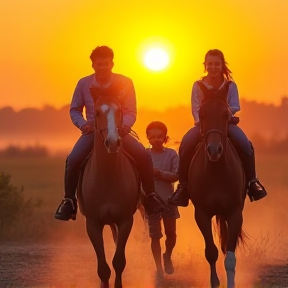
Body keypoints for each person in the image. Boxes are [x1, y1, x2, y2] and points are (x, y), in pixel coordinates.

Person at [54, 45, 166, 221]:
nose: (103, 67)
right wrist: (83, 125)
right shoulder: (84, 84)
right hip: (93, 131)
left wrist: (125, 126)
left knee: (143, 155)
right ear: (93, 65)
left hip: (119, 130)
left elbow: (130, 110)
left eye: (106, 64)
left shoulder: (125, 82)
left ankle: (150, 196)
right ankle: (69, 200)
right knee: (73, 159)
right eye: (99, 64)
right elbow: (75, 109)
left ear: (112, 64)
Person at [168, 49, 267, 207]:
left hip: (225, 124)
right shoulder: (198, 85)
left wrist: (225, 113)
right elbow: (195, 107)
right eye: (210, 64)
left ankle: (252, 182)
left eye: (217, 64)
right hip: (204, 126)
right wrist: (199, 122)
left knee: (246, 144)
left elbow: (235, 105)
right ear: (205, 65)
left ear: (222, 65)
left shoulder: (230, 85)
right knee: (186, 144)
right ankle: (183, 187)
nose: (213, 67)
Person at [145, 121, 180, 279]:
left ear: (165, 137)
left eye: (159, 136)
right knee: (155, 236)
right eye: (153, 137)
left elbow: (176, 175)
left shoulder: (172, 154)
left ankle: (167, 255)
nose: (156, 140)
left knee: (171, 234)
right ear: (148, 138)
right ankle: (159, 268)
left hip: (168, 200)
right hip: (151, 202)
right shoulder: (144, 154)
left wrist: (158, 173)